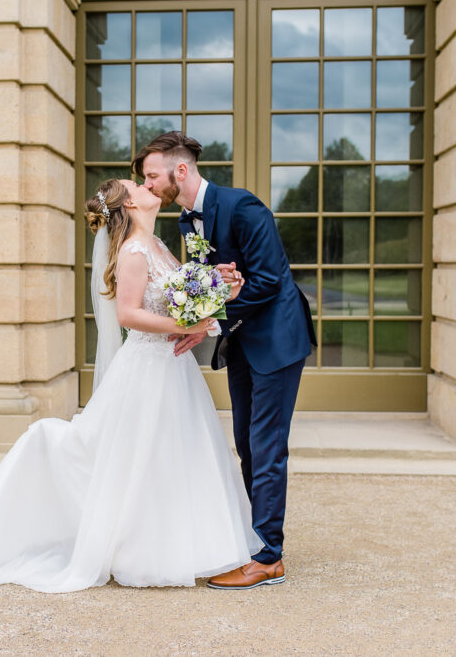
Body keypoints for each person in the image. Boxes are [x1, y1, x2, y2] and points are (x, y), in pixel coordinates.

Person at [0, 178, 260, 598]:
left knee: (173, 452)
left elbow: (179, 295)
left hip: (172, 370)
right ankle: (139, 550)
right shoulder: (133, 252)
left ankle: (187, 543)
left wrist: (216, 286)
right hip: (147, 369)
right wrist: (184, 325)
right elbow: (128, 314)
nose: (147, 185)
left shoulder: (157, 245)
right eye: (137, 185)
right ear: (129, 206)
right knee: (142, 455)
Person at [132, 132, 316, 590]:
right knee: (246, 443)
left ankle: (269, 557)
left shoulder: (243, 206)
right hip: (238, 340)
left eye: (152, 176)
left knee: (267, 444)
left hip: (275, 340)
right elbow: (207, 280)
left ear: (180, 170)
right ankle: (254, 538)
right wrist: (211, 292)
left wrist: (206, 321)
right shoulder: (185, 222)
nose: (149, 186)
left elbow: (270, 281)